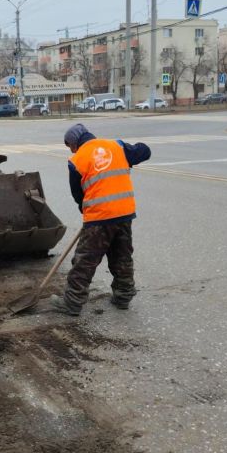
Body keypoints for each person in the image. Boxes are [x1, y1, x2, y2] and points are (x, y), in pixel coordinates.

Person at [50, 123, 151, 316]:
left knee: (85, 261)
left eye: (69, 146)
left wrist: (87, 212)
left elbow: (78, 195)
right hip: (124, 212)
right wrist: (136, 148)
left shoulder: (77, 160)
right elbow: (144, 152)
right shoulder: (117, 146)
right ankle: (123, 296)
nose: (71, 150)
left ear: (74, 143)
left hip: (100, 217)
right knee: (121, 256)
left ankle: (72, 302)